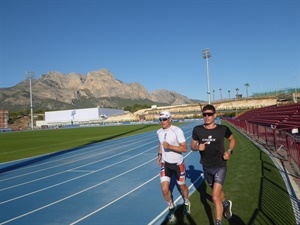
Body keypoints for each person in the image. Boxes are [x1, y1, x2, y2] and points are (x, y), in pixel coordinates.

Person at [190, 104, 236, 225]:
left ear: (214, 115)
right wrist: (197, 147)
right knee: (218, 193)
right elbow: (192, 146)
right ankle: (226, 204)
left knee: (215, 197)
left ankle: (218, 222)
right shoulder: (197, 130)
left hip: (220, 166)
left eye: (209, 114)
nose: (207, 117)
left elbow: (232, 139)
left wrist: (229, 152)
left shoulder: (222, 129)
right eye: (204, 114)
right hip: (206, 167)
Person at [156, 111, 191, 222]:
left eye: (164, 119)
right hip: (165, 163)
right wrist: (160, 154)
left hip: (177, 164)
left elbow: (185, 148)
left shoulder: (177, 131)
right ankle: (171, 207)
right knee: (164, 189)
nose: (162, 122)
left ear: (170, 119)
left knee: (182, 187)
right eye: (160, 119)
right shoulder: (159, 132)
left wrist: (170, 146)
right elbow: (161, 144)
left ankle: (186, 202)